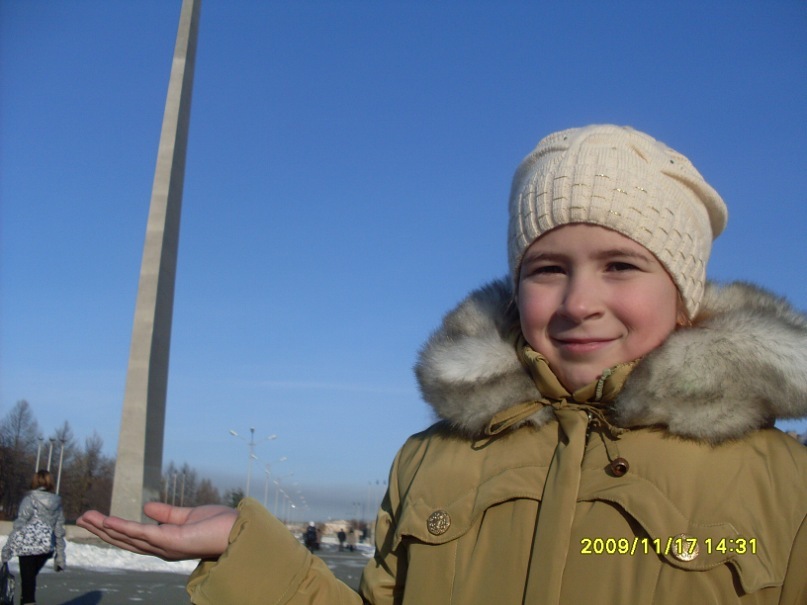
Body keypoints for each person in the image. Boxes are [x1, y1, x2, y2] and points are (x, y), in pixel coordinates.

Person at [77, 124, 807, 604]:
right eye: (548, 268)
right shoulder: (432, 460)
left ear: (683, 298)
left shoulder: (781, 483)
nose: (579, 302)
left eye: (620, 265)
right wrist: (244, 548)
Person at [2, 470, 66, 605]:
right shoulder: (56, 503)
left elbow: (19, 525)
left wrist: (7, 549)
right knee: (29, 582)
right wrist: (60, 555)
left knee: (28, 584)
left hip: (27, 547)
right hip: (45, 549)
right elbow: (59, 530)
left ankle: (27, 601)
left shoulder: (29, 500)